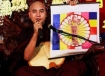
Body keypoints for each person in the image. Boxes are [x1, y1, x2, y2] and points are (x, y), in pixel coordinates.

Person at [4, 0, 87, 76]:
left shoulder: (55, 27)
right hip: (38, 70)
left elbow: (72, 25)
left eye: (41, 11)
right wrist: (35, 34)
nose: (38, 14)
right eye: (34, 11)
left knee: (78, 65)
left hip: (57, 68)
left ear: (46, 14)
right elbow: (26, 57)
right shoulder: (25, 32)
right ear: (29, 15)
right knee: (21, 72)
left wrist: (72, 8)